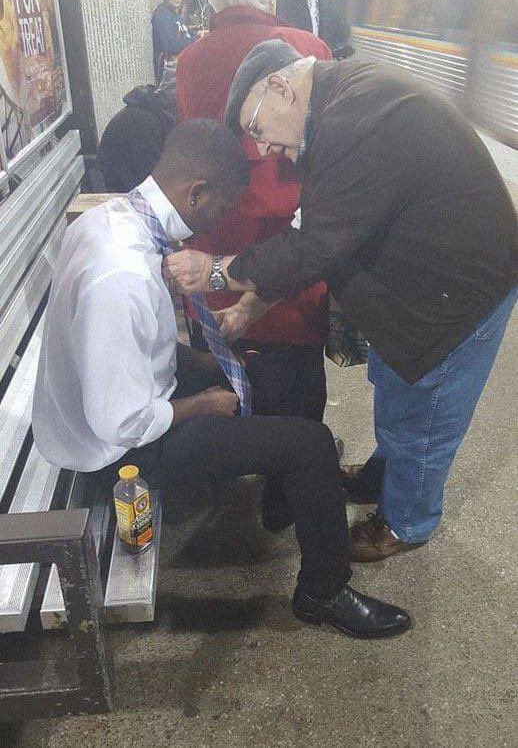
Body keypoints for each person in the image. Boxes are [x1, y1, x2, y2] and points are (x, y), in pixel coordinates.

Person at [31, 118, 411, 640]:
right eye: (222, 208)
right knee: (312, 443)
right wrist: (204, 403)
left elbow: (132, 354)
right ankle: (323, 592)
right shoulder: (122, 279)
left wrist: (208, 365)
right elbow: (121, 424)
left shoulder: (110, 219)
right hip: (118, 454)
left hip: (120, 396)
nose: (221, 222)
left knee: (266, 370)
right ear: (197, 193)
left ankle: (288, 497)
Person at [165, 40, 518, 564]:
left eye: (257, 130)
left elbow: (315, 246)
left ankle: (407, 521)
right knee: (395, 386)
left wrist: (217, 270)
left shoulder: (355, 122)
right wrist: (248, 307)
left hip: (456, 295)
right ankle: (383, 474)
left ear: (281, 87)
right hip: (418, 283)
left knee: (426, 411)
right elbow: (316, 232)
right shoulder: (338, 107)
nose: (263, 150)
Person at [176, 0, 334, 533]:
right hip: (290, 255)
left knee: (230, 370)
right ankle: (284, 500)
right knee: (298, 384)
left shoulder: (190, 61)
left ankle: (233, 472)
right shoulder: (307, 46)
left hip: (214, 261)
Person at [97, 81, 177, 193]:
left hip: (135, 181)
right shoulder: (142, 124)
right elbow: (153, 188)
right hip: (122, 192)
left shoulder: (158, 114)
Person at [152, 0, 197, 84]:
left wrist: (196, 34)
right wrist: (196, 39)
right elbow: (171, 45)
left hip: (180, 72)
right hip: (168, 77)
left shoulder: (175, 14)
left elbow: (184, 34)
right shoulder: (162, 14)